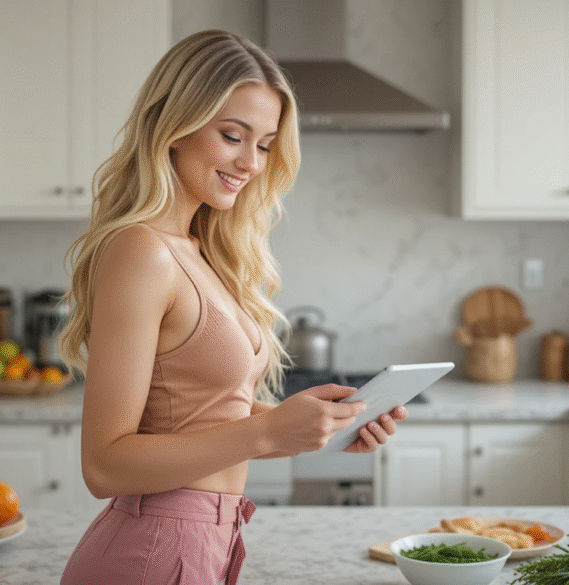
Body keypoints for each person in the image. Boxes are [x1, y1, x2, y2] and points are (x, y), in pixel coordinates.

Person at [57, 29, 408, 585]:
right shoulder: (141, 251)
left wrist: (320, 427)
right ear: (174, 125)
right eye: (232, 136)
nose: (251, 162)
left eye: (265, 144)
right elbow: (104, 465)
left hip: (202, 545)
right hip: (151, 554)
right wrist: (268, 434)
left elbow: (202, 420)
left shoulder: (199, 251)